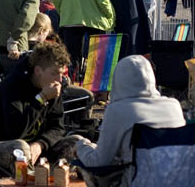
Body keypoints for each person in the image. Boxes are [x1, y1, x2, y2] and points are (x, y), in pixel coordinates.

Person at [74, 55, 185, 186]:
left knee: (83, 150)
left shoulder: (117, 110)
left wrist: (80, 145)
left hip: (137, 182)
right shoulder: (173, 106)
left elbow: (99, 162)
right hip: (175, 180)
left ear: (118, 81)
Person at [0, 43, 80, 175]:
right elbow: (16, 131)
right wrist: (41, 99)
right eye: (54, 73)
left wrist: (40, 144)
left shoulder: (53, 87)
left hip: (35, 151)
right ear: (38, 71)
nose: (59, 79)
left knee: (78, 143)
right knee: (21, 148)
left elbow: (58, 127)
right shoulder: (12, 86)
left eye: (61, 74)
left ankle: (51, 179)